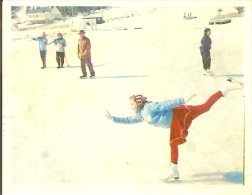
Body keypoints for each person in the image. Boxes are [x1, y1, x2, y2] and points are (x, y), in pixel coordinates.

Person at [105, 80, 243, 181]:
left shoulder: (149, 107)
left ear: (138, 102)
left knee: (205, 107)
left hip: (179, 115)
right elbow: (130, 120)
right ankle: (174, 170)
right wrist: (114, 119)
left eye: (131, 104)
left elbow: (165, 104)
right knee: (173, 144)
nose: (130, 106)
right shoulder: (140, 114)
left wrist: (183, 100)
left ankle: (226, 87)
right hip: (174, 123)